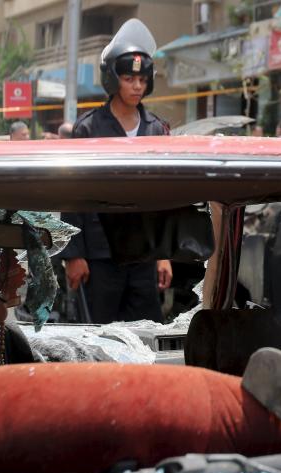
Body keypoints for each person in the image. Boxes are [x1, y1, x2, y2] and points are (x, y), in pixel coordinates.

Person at [60, 18, 172, 324]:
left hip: (143, 256)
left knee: (144, 338)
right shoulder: (89, 129)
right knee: (99, 338)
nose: (137, 86)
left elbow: (162, 199)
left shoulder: (157, 130)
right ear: (113, 79)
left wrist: (163, 254)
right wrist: (73, 254)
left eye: (142, 79)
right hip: (99, 257)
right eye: (128, 78)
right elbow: (73, 195)